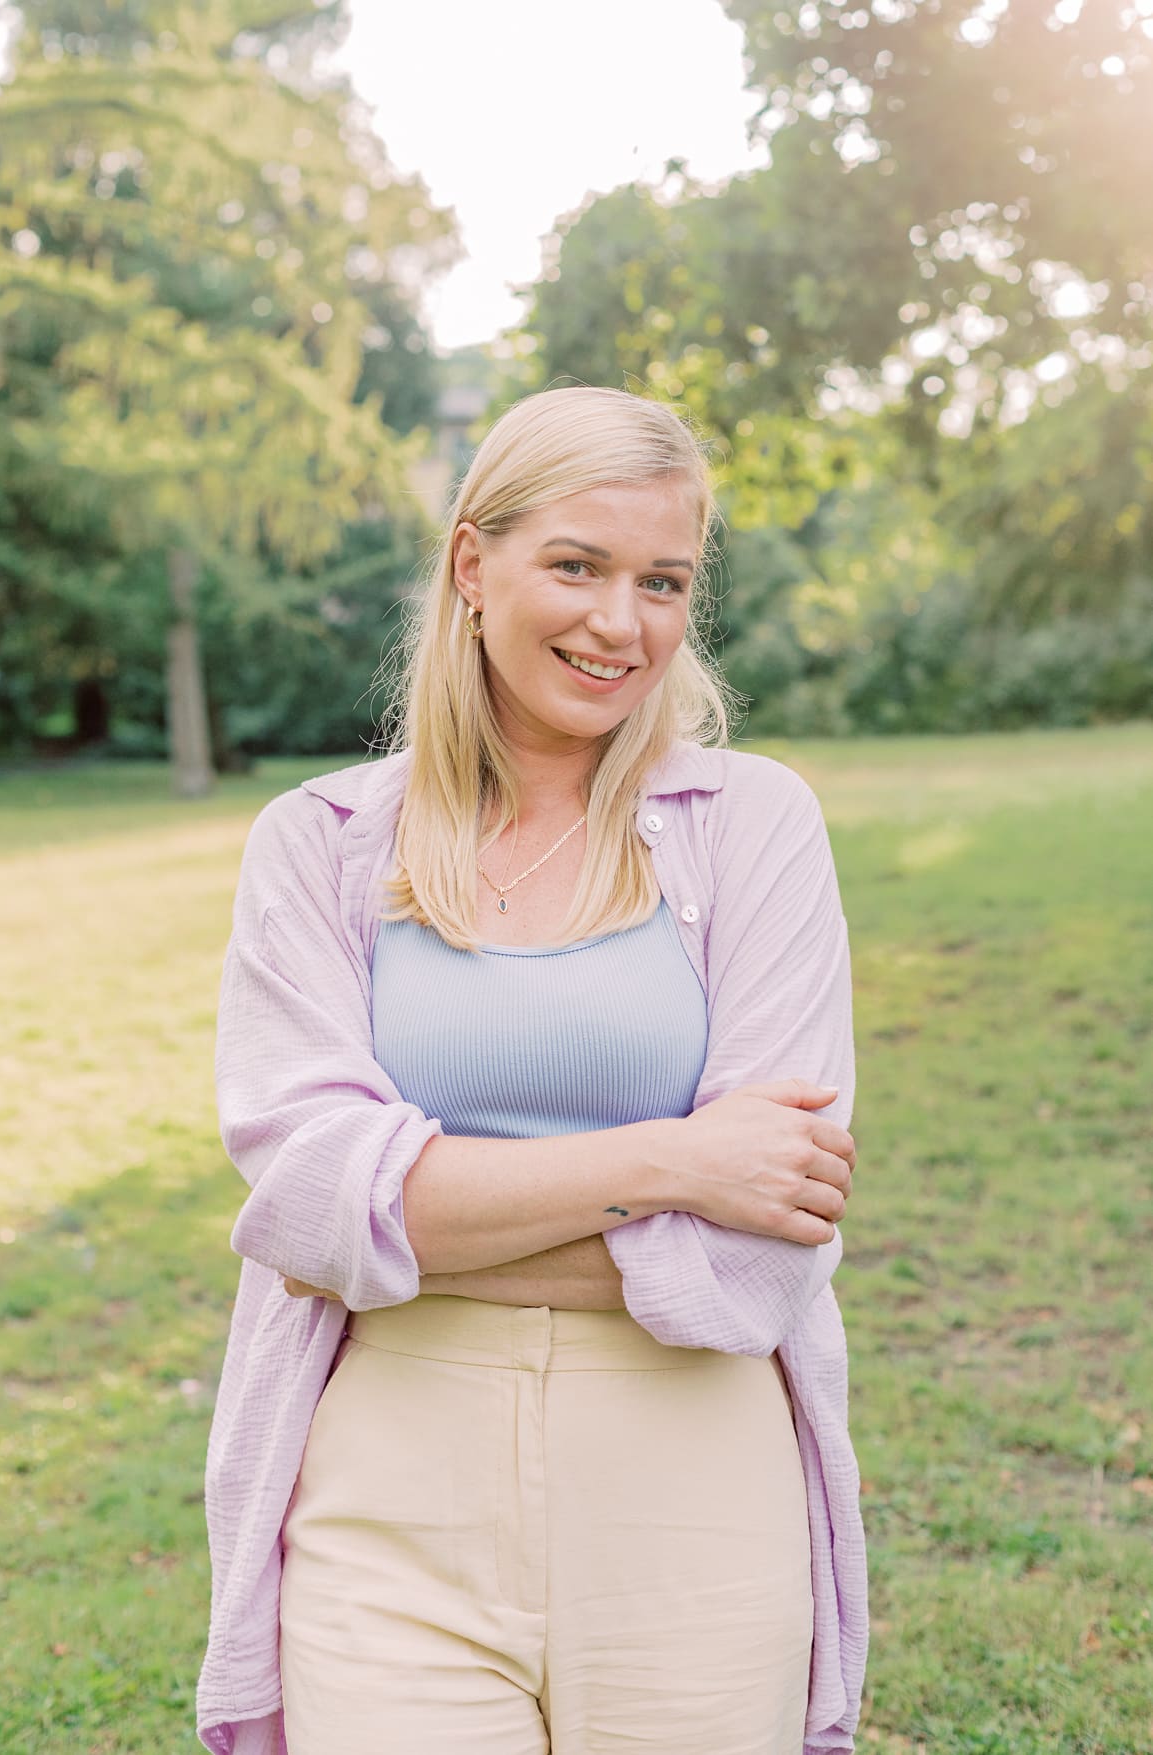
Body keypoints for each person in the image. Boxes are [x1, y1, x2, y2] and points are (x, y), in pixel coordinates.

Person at [196, 385, 867, 1755]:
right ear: (471, 565)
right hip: (387, 1492)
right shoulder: (315, 844)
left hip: (694, 1484)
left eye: (661, 581)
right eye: (575, 565)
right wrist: (668, 1162)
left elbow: (771, 1238)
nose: (618, 623)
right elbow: (310, 1208)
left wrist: (422, 1215)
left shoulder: (755, 825)